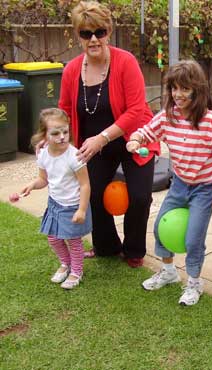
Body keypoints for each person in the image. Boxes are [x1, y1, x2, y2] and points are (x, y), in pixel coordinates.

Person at [58, 1, 160, 267]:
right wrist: (56, 141)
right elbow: (64, 110)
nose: (93, 39)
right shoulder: (71, 70)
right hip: (94, 146)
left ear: (109, 32)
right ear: (78, 36)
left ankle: (134, 250)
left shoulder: (125, 62)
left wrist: (102, 137)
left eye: (99, 32)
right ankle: (106, 246)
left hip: (134, 138)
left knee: (139, 196)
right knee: (90, 192)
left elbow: (137, 110)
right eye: (86, 33)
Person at [127, 60, 212, 306]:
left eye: (184, 89)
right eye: (174, 88)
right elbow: (146, 132)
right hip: (179, 184)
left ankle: (194, 283)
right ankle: (169, 272)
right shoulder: (167, 117)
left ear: (197, 90)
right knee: (159, 229)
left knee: (193, 239)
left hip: (205, 189)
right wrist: (135, 140)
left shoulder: (210, 120)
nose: (178, 94)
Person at [9, 108, 92, 289]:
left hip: (72, 205)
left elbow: (85, 185)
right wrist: (32, 185)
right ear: (44, 135)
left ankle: (77, 271)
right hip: (55, 204)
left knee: (74, 241)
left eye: (65, 131)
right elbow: (43, 179)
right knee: (53, 239)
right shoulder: (44, 154)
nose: (62, 136)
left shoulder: (75, 156)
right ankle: (66, 263)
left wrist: (82, 209)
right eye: (55, 133)